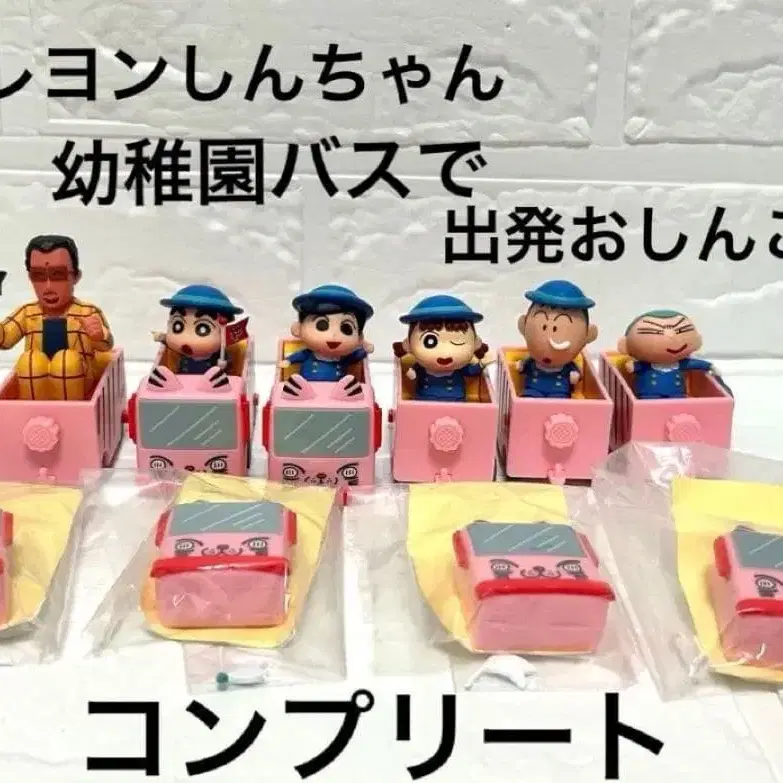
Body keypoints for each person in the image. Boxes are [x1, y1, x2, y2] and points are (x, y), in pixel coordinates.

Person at [0, 234, 113, 400]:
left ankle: (70, 410)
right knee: (30, 362)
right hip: (34, 386)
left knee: (67, 362)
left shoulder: (87, 311)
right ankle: (32, 408)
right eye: (38, 276)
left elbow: (106, 345)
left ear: (76, 276)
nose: (48, 287)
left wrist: (99, 334)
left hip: (80, 382)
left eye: (58, 275)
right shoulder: (27, 313)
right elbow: (5, 338)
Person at [394, 294, 494, 402]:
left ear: (476, 343)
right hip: (424, 400)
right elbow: (413, 373)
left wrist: (482, 363)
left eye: (457, 341)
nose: (445, 353)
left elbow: (471, 371)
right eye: (429, 342)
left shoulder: (461, 368)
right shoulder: (420, 367)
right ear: (408, 345)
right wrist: (411, 373)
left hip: (456, 401)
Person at [517, 280, 597, 399]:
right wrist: (521, 365)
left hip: (559, 392)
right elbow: (523, 366)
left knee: (559, 401)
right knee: (529, 399)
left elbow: (577, 374)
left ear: (588, 336)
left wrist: (575, 376)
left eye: (557, 328)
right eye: (544, 327)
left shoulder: (568, 367)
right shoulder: (531, 362)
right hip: (533, 389)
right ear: (523, 326)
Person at [618, 309, 721, 399]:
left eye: (680, 330)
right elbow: (636, 367)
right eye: (656, 332)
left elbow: (696, 364)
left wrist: (710, 366)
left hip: (677, 394)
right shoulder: (646, 365)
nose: (671, 336)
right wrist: (632, 366)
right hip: (649, 395)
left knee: (677, 404)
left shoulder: (682, 363)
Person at [279, 284, 374, 381]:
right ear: (298, 329)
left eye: (346, 328)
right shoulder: (307, 354)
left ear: (359, 338)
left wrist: (365, 349)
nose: (334, 335)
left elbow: (356, 356)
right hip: (307, 387)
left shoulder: (344, 358)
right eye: (321, 325)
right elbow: (297, 356)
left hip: (338, 389)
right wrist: (288, 361)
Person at [152, 285, 245, 375]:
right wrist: (163, 338)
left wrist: (223, 366)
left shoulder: (220, 355)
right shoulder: (179, 353)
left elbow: (229, 368)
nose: (186, 339)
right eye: (178, 326)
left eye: (202, 329)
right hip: (182, 379)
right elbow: (168, 347)